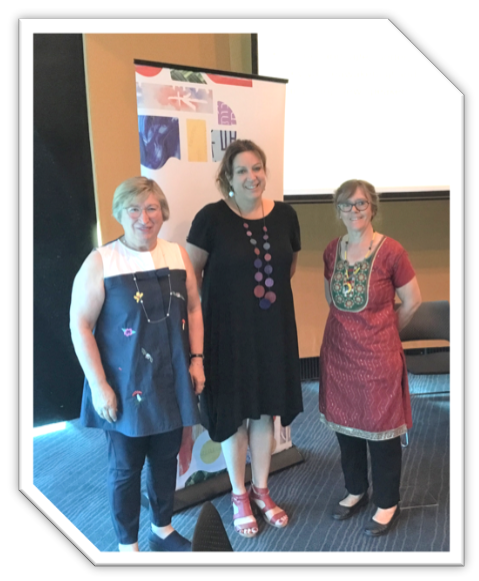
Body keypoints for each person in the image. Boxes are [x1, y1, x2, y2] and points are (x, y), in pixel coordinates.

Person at [69, 176, 205, 552]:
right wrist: (99, 386)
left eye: (152, 208)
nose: (144, 217)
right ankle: (127, 546)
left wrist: (197, 360)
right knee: (126, 469)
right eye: (134, 209)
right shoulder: (101, 261)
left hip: (171, 378)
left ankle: (162, 529)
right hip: (123, 385)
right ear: (119, 214)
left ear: (162, 213)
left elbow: (193, 308)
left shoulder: (177, 255)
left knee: (165, 460)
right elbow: (79, 324)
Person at [186, 139, 303, 538]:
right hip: (226, 335)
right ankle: (239, 494)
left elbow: (287, 269)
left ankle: (262, 490)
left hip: (272, 333)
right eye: (242, 171)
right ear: (228, 178)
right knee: (234, 415)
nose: (252, 177)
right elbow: (190, 281)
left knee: (265, 411)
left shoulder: (287, 216)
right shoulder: (211, 219)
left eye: (257, 168)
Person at [319, 179, 422, 537]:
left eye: (361, 204)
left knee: (381, 430)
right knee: (346, 427)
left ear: (373, 208)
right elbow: (331, 299)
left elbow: (412, 302)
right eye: (346, 205)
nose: (354, 211)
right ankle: (356, 490)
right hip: (339, 353)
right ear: (338, 211)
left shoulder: (392, 251)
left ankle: (387, 500)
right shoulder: (333, 250)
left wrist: (386, 329)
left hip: (378, 356)